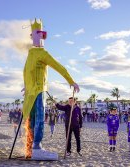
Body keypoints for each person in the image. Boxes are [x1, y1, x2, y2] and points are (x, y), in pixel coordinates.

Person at [22, 19, 80, 159]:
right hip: (36, 91)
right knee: (38, 118)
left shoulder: (36, 54)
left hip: (33, 92)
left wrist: (70, 80)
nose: (39, 37)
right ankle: (35, 147)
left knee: (35, 118)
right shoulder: (36, 53)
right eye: (37, 35)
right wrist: (71, 81)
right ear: (33, 36)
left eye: (40, 35)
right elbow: (58, 67)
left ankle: (33, 147)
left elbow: (28, 71)